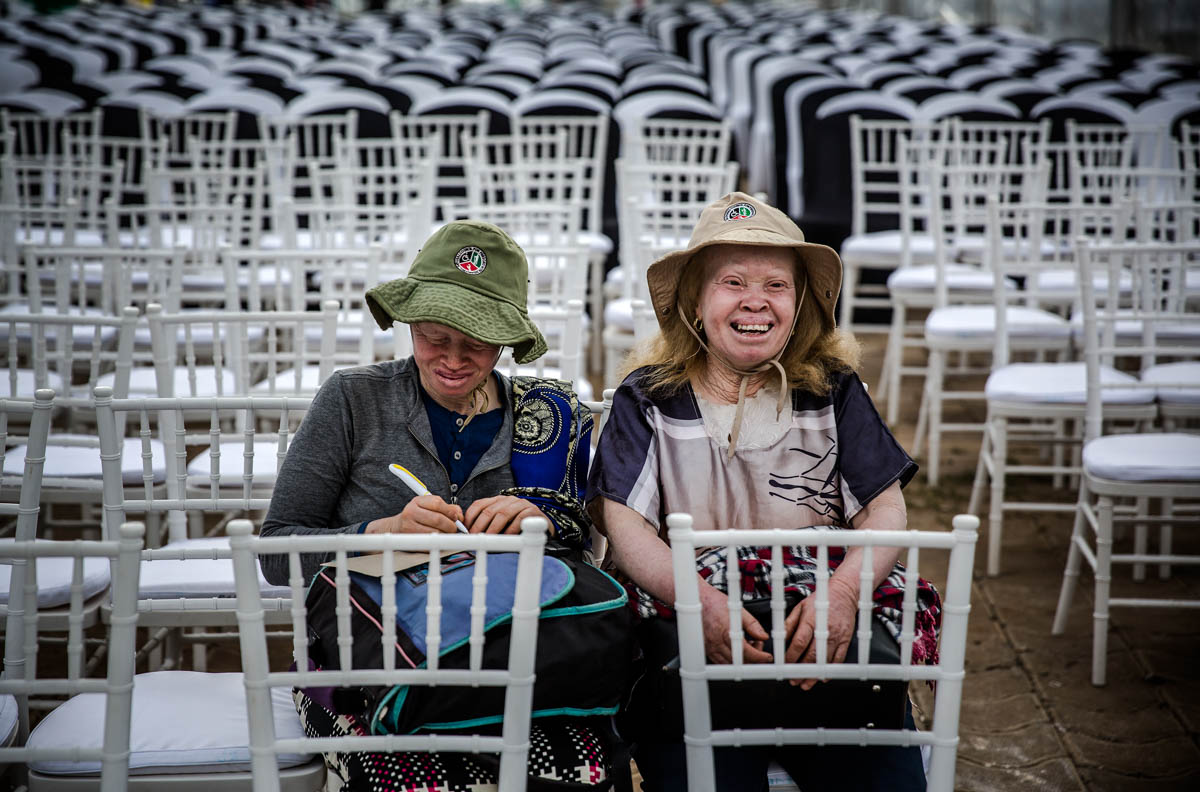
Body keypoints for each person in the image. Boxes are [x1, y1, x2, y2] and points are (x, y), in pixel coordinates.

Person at [586, 192, 939, 791]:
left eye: (776, 284)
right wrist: (703, 604)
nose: (755, 301)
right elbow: (624, 526)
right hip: (694, 660)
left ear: (799, 304)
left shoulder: (834, 389)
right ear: (697, 303)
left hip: (831, 654)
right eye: (732, 282)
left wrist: (845, 593)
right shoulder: (648, 397)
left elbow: (885, 506)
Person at [262, 220, 609, 790]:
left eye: (474, 342)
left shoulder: (543, 416)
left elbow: (581, 563)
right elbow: (276, 552)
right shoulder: (354, 398)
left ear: (504, 340)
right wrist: (381, 531)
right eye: (433, 336)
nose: (451, 357)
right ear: (411, 327)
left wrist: (541, 518)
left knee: (578, 769)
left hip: (510, 660)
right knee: (411, 775)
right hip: (368, 663)